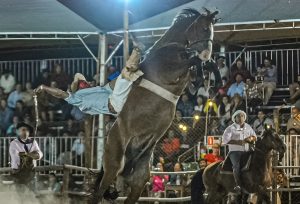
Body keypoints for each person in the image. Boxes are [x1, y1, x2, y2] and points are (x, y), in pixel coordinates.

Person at [34, 47, 143, 116]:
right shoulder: (77, 99)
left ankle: (141, 58)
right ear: (82, 88)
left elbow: (114, 82)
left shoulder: (99, 89)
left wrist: (118, 76)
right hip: (115, 104)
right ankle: (138, 49)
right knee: (126, 74)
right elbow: (60, 93)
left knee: (124, 76)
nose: (89, 82)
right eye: (86, 83)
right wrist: (44, 87)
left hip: (115, 102)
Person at [222, 110, 257, 193]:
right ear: (235, 118)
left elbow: (254, 136)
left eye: (242, 116)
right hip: (235, 151)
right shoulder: (230, 128)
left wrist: (250, 138)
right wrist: (239, 142)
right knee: (236, 166)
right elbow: (225, 140)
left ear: (244, 118)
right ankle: (238, 184)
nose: (240, 118)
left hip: (248, 150)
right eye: (238, 116)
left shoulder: (248, 127)